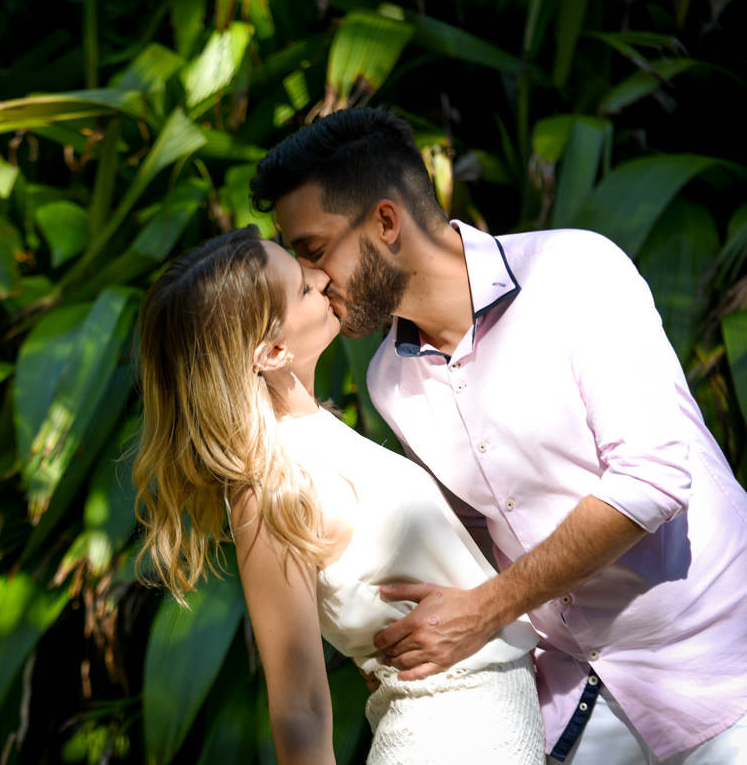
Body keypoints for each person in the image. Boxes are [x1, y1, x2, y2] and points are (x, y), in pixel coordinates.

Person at [248, 106, 747, 764]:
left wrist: (485, 609)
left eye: (313, 250)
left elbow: (651, 479)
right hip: (572, 697)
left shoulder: (573, 272)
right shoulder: (388, 378)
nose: (311, 278)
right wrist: (398, 636)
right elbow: (470, 538)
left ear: (386, 223)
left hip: (720, 670)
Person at [133, 226, 544, 764]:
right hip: (445, 736)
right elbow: (298, 706)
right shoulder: (270, 488)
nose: (323, 277)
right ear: (273, 352)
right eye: (304, 288)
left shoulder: (317, 433)